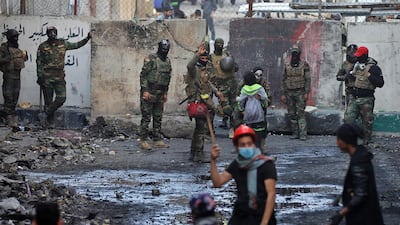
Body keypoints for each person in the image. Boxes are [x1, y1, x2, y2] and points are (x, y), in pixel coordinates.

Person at [210, 125, 277, 225]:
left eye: (249, 144)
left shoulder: (266, 165)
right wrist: (213, 160)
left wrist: (264, 222)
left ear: (254, 144)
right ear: (237, 147)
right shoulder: (237, 164)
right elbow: (217, 182)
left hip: (262, 214)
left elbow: (271, 194)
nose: (246, 147)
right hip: (241, 215)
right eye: (242, 145)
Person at [328, 123, 384, 225]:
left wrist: (341, 213)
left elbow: (360, 194)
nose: (337, 143)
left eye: (338, 139)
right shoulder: (361, 155)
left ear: (345, 140)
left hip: (363, 218)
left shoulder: (358, 162)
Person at [36, 26, 91, 127]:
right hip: (47, 77)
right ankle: (49, 123)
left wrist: (87, 38)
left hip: (59, 76)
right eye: (50, 32)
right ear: (47, 34)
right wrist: (39, 76)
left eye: (54, 32)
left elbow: (77, 45)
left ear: (56, 33)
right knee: (48, 101)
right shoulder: (42, 46)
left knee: (61, 98)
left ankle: (44, 114)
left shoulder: (63, 43)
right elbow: (39, 62)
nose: (52, 34)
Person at [185, 43, 221, 162]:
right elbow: (189, 65)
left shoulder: (205, 70)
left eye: (206, 58)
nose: (204, 60)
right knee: (201, 128)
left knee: (198, 128)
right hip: (197, 101)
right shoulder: (194, 70)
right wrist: (197, 55)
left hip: (206, 100)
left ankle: (193, 151)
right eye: (202, 58)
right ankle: (198, 153)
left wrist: (216, 92)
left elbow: (208, 82)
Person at [344, 46, 384, 145]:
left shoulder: (374, 68)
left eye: (359, 56)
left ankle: (366, 141)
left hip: (366, 99)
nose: (357, 58)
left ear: (365, 56)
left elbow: (380, 83)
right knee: (348, 119)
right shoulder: (356, 66)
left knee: (367, 122)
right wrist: (351, 74)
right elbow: (348, 77)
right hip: (354, 97)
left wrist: (368, 75)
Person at [139, 39, 172, 150]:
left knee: (158, 117)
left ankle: (157, 139)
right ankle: (143, 139)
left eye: (166, 49)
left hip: (160, 93)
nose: (164, 51)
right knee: (146, 117)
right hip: (149, 92)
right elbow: (143, 75)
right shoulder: (151, 59)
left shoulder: (167, 61)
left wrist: (166, 92)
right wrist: (145, 90)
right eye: (163, 49)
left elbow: (168, 77)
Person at [281, 45, 311, 141]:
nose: (294, 55)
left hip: (300, 92)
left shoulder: (304, 65)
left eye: (296, 54)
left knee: (300, 113)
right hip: (289, 92)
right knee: (291, 113)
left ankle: (303, 134)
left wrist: (306, 92)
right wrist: (283, 93)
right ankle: (295, 133)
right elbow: (284, 79)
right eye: (293, 53)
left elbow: (307, 79)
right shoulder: (286, 65)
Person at [210, 38, 238, 137]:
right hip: (220, 84)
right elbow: (209, 71)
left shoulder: (226, 55)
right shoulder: (211, 57)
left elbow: (236, 68)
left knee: (234, 105)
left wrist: (231, 61)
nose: (220, 46)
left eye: (221, 44)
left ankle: (233, 128)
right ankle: (211, 128)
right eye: (218, 44)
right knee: (225, 106)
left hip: (231, 83)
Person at [0, 29, 27, 126]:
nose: (16, 39)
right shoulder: (4, 48)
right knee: (8, 96)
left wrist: (23, 57)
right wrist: (9, 58)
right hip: (8, 76)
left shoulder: (17, 48)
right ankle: (8, 116)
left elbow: (21, 59)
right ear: (9, 38)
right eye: (14, 37)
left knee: (15, 95)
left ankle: (11, 114)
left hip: (17, 76)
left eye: (17, 37)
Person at [237, 72, 268, 152]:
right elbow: (265, 97)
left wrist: (241, 110)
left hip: (248, 111)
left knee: (249, 129)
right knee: (259, 129)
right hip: (258, 111)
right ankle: (259, 148)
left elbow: (240, 100)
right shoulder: (259, 87)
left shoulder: (244, 88)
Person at [337, 44, 358, 110]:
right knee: (350, 112)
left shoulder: (360, 63)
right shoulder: (345, 64)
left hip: (361, 90)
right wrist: (346, 77)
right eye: (351, 52)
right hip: (350, 91)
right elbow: (338, 77)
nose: (352, 54)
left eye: (354, 52)